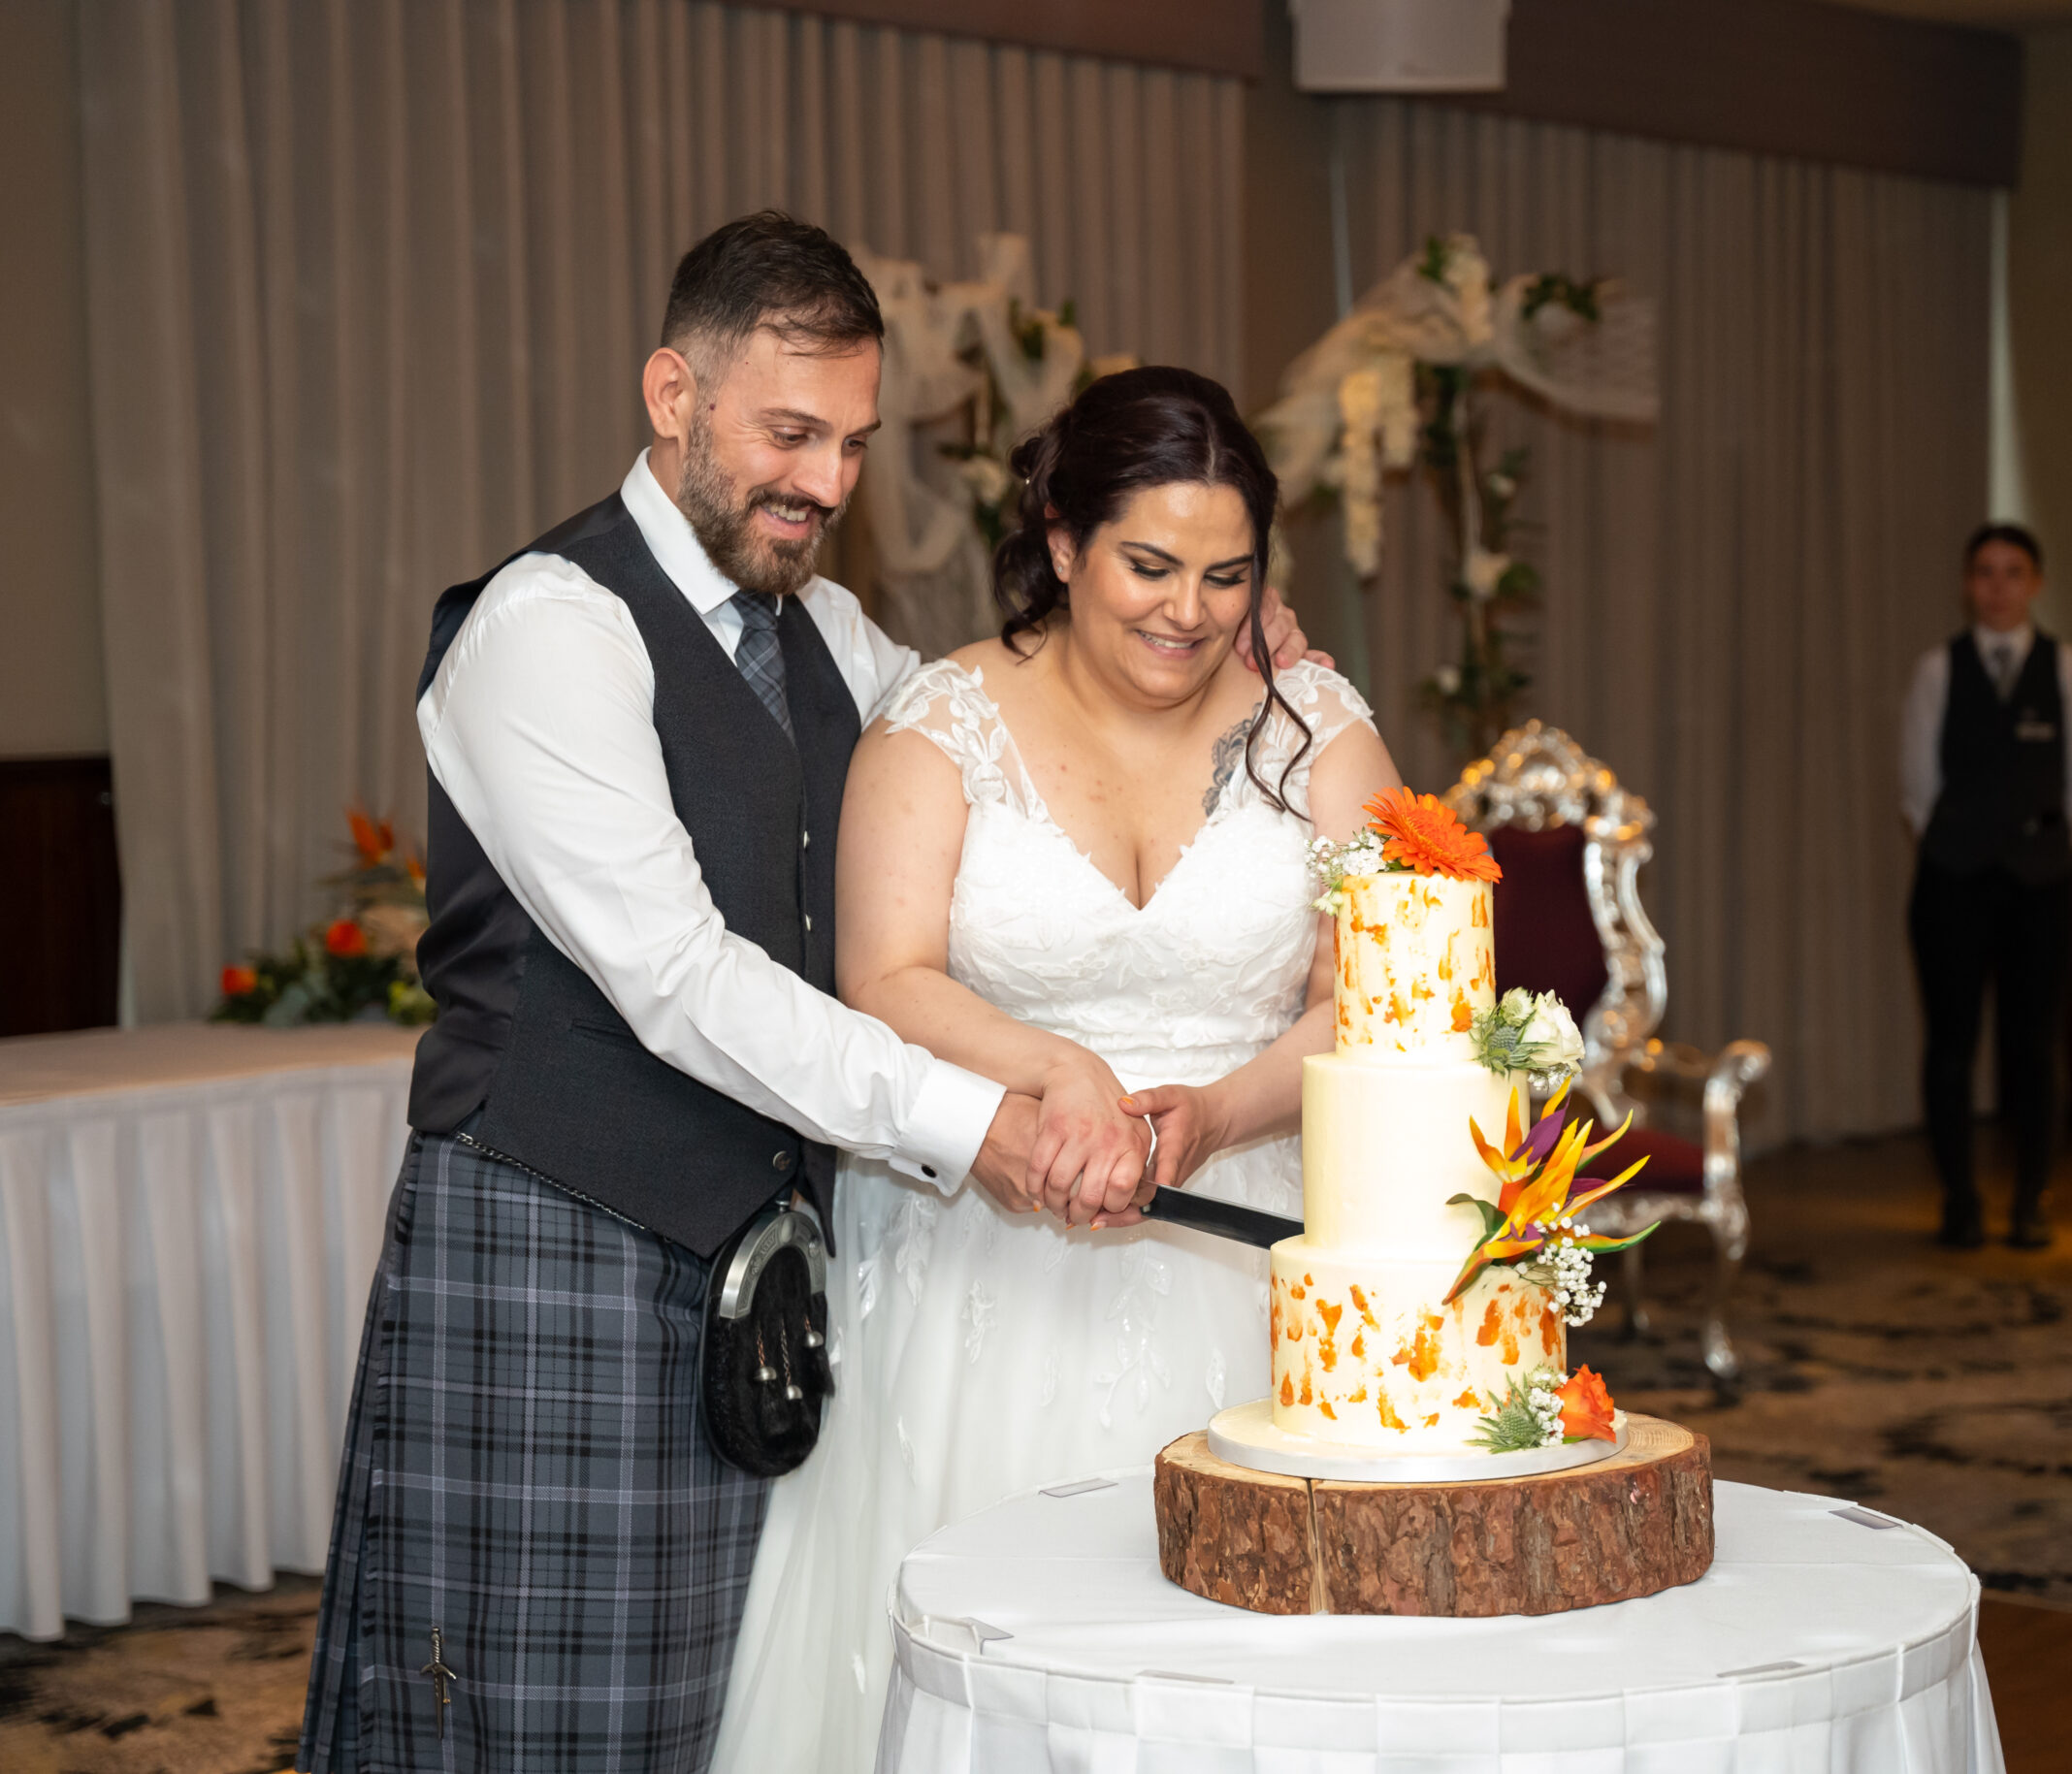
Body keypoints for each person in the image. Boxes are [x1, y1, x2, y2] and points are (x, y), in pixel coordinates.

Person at [294, 215, 1312, 1774]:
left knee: (696, 1716)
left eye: (852, 442)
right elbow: (686, 983)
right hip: (561, 1251)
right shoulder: (544, 628)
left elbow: (1018, 737)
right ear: (670, 393)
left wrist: (1222, 653)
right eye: (788, 432)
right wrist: (986, 1120)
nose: (827, 483)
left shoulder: (835, 639)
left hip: (757, 1274)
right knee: (519, 1717)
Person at [708, 367, 1397, 1773]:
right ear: (1066, 539)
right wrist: (1054, 1070)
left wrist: (1213, 1116)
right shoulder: (938, 723)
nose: (1187, 611)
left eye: (1226, 573)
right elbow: (883, 975)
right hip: (984, 1255)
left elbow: (1377, 997)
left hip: (1250, 1247)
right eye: (1148, 563)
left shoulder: (1319, 727)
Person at [1899, 523, 2072, 1251]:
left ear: (2035, 584)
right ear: (1967, 584)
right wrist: (1964, 843)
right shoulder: (1937, 670)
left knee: (2036, 1045)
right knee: (1951, 1045)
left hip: (2041, 883)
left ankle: (2031, 1199)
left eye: (2012, 572)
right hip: (1952, 882)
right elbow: (1918, 787)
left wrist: (2040, 848)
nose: (1997, 586)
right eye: (1984, 572)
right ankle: (1959, 1198)